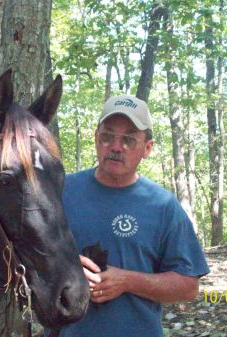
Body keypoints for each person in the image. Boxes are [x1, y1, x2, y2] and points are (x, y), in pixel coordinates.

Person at [51, 95, 210, 337]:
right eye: (107, 136)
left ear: (148, 148)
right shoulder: (60, 192)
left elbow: (188, 287)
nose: (115, 147)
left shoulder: (162, 205)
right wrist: (65, 270)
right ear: (96, 138)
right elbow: (23, 261)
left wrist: (126, 281)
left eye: (128, 139)